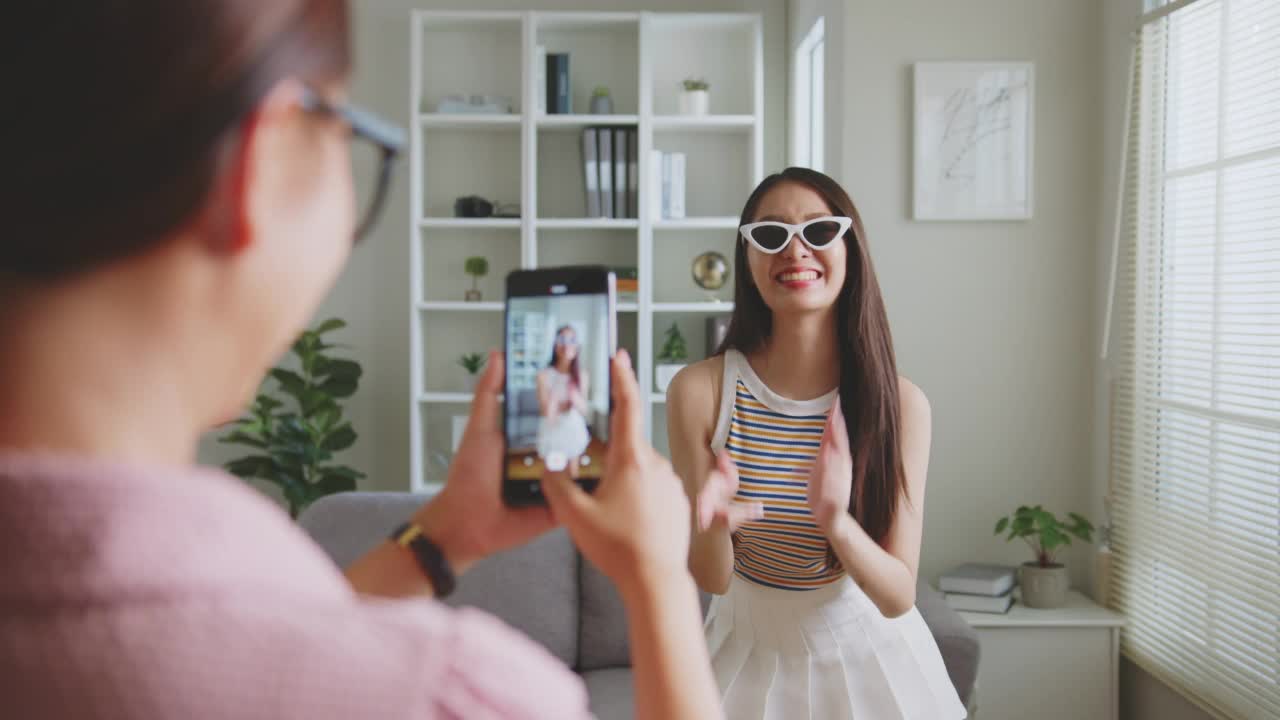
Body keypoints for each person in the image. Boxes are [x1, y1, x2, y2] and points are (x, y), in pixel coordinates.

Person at [0, 2, 721, 719]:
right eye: (352, 137)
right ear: (264, 158)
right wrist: (658, 580)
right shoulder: (452, 693)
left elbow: (278, 651)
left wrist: (441, 540)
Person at [667, 167, 967, 719]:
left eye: (819, 232)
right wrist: (713, 521)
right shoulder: (700, 391)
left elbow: (898, 594)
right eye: (771, 235)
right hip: (742, 648)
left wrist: (836, 523)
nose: (796, 250)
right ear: (748, 258)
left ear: (850, 250)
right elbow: (712, 577)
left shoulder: (901, 404)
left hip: (868, 656)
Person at [536, 325, 592, 474]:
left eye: (572, 340)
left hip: (573, 429)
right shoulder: (544, 375)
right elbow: (545, 411)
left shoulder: (582, 375)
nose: (567, 344)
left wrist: (574, 397)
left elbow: (584, 410)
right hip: (552, 430)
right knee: (553, 477)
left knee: (573, 474)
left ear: (577, 346)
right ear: (555, 345)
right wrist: (555, 401)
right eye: (562, 340)